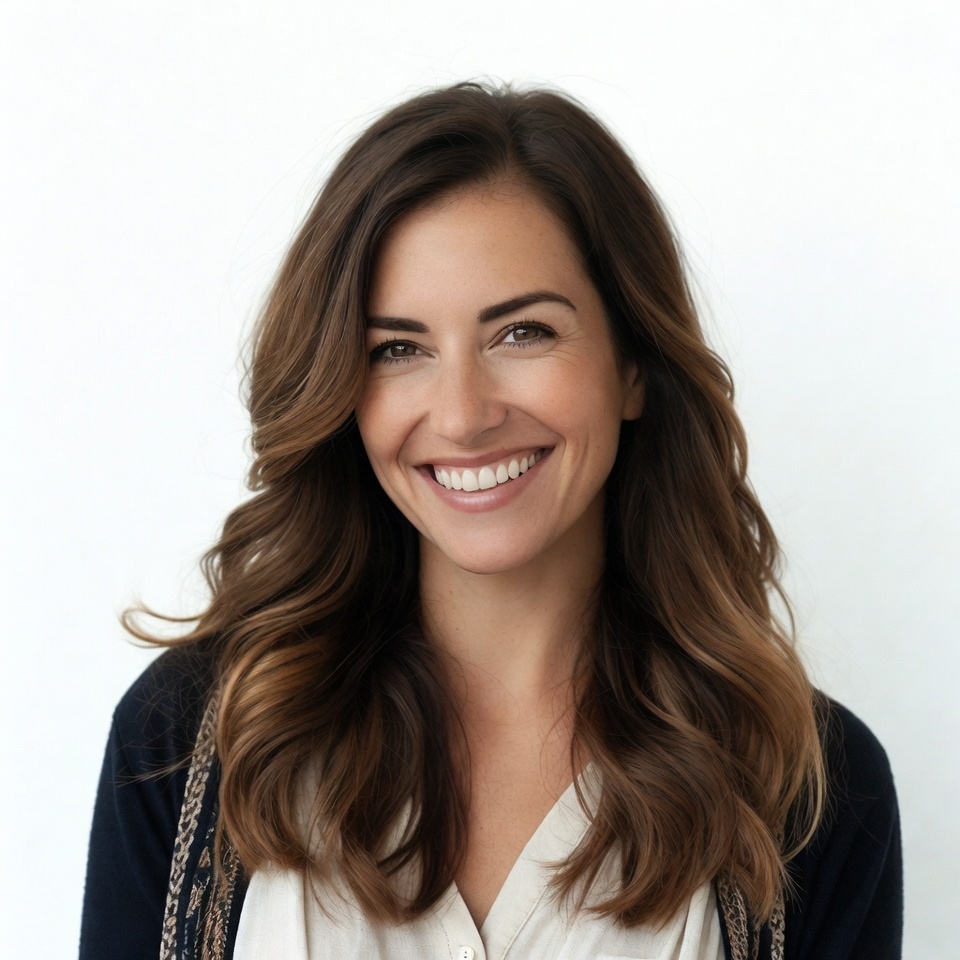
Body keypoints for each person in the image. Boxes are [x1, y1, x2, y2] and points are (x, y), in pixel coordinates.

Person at [80, 82, 902, 960]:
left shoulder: (812, 792)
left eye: (523, 334)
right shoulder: (195, 740)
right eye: (397, 350)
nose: (463, 415)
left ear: (632, 365)